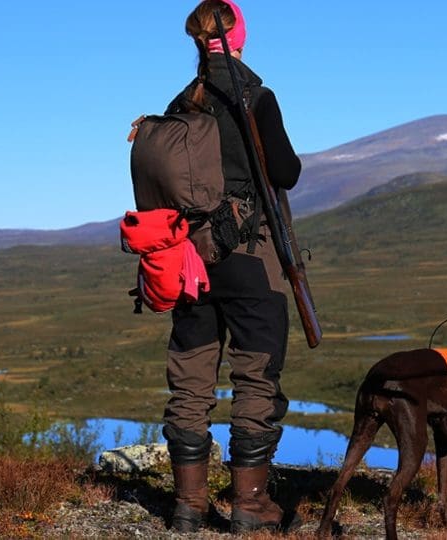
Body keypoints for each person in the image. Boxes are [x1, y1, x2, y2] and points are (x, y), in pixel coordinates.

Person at [160, 0, 302, 534]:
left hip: (186, 263)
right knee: (255, 375)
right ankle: (251, 505)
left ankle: (188, 506)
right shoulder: (256, 97)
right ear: (239, 37)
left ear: (197, 41)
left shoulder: (180, 103)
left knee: (191, 380)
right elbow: (285, 171)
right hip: (248, 259)